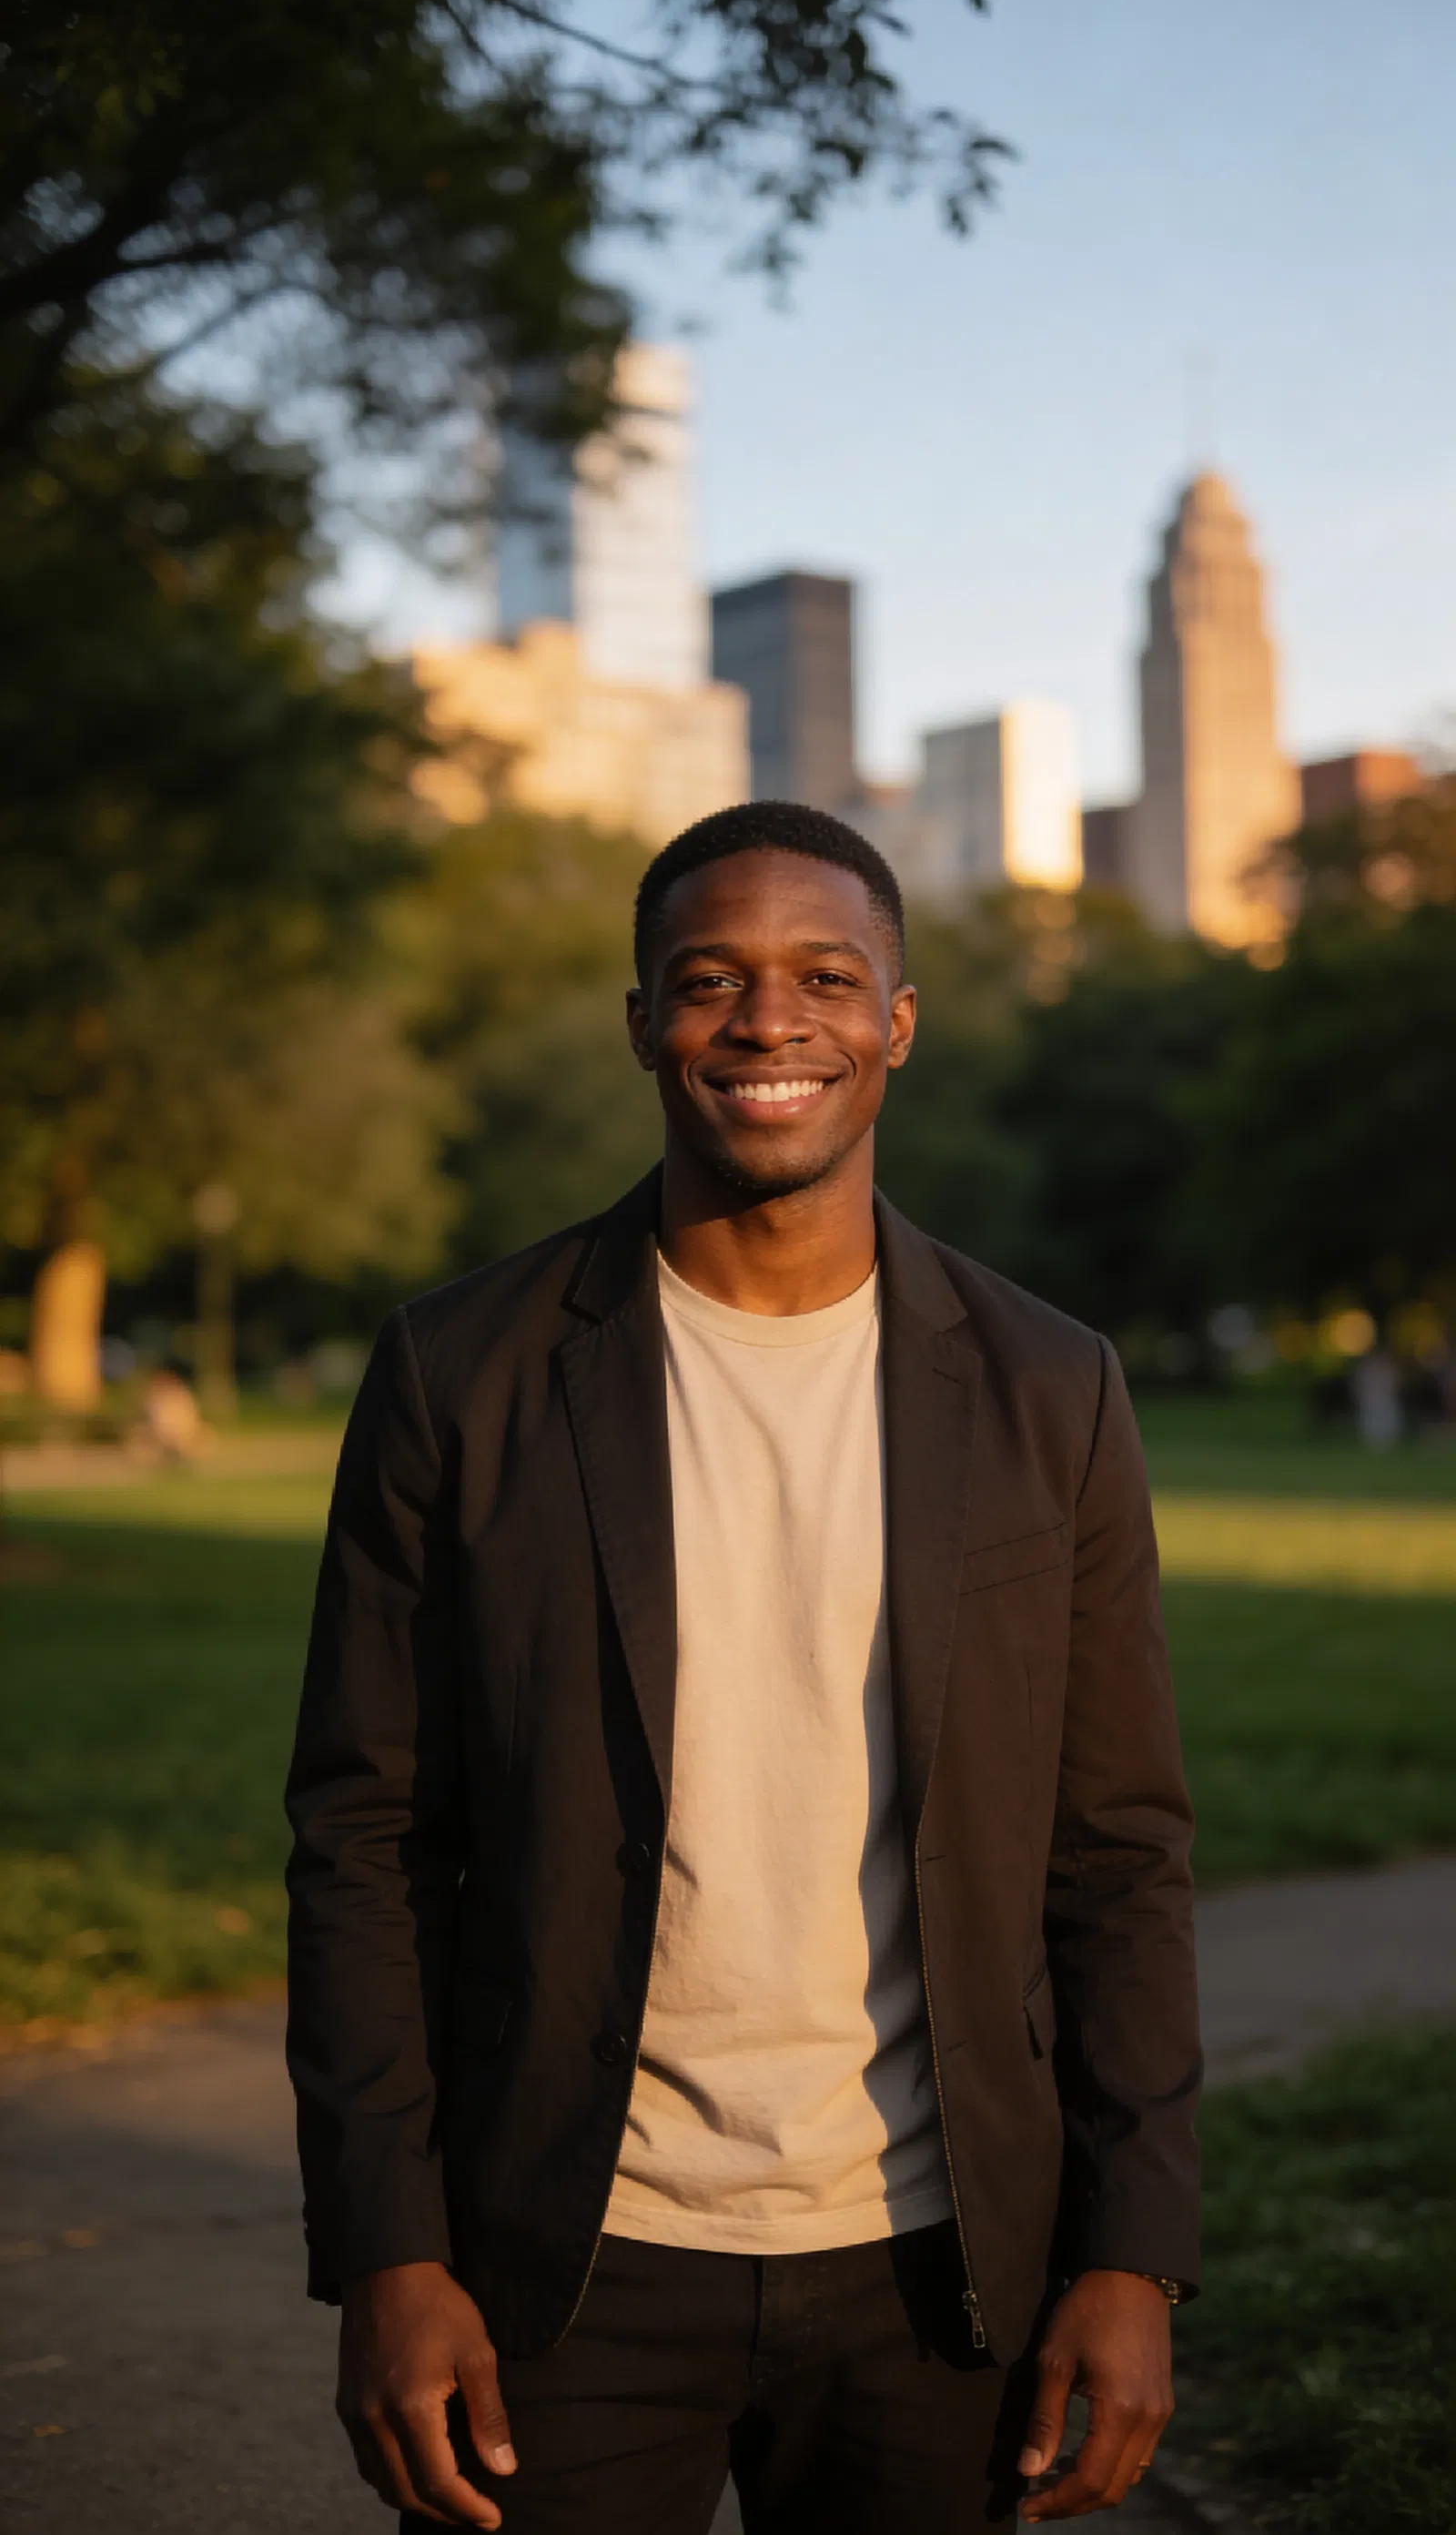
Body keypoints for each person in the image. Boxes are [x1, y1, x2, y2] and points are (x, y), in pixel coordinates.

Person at [286, 802, 1200, 2534]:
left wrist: (1135, 2256)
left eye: (822, 977)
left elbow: (1122, 1855)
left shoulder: (1048, 1388)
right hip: (556, 2263)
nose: (768, 1022)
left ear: (896, 1023)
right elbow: (362, 1843)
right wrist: (388, 2254)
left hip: (938, 2275)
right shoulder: (457, 1375)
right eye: (709, 979)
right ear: (643, 1023)